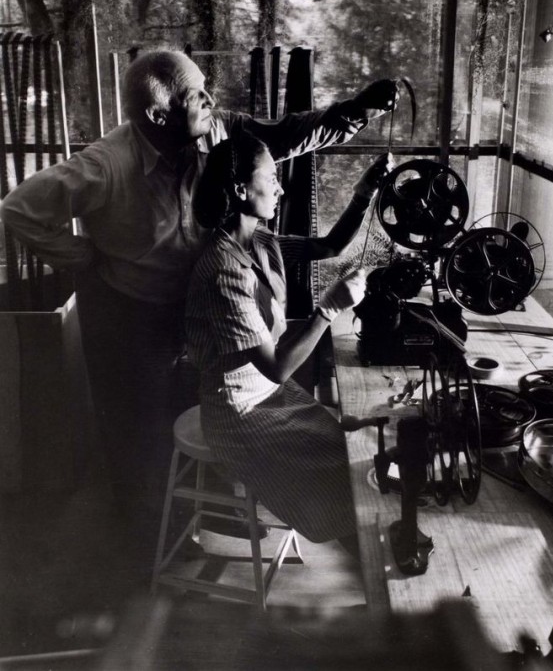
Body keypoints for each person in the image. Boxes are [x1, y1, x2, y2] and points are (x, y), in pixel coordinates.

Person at [0, 49, 398, 557]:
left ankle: (205, 515)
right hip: (130, 315)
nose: (211, 100)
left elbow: (285, 136)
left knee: (197, 410)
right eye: (197, 94)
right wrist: (86, 258)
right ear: (158, 115)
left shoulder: (216, 131)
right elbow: (18, 210)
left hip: (201, 300)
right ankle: (152, 552)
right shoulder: (104, 167)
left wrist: (356, 111)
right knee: (139, 436)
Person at [186, 134, 393, 550]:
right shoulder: (222, 270)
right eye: (272, 177)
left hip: (273, 396)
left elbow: (329, 245)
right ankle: (379, 564)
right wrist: (330, 308)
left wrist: (364, 192)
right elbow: (277, 368)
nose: (281, 188)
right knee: (343, 473)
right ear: (241, 190)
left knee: (350, 455)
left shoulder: (261, 242)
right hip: (240, 412)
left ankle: (379, 552)